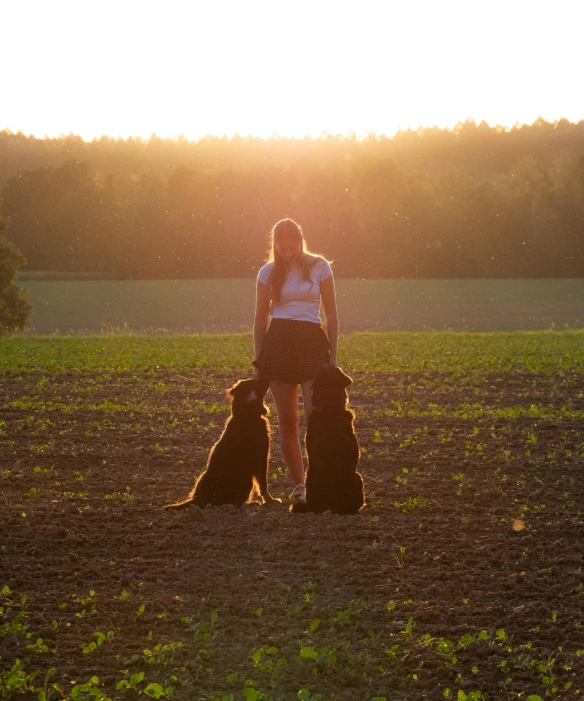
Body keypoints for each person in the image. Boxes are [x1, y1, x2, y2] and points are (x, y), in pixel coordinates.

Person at [253, 218, 339, 504]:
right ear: (275, 245)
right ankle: (300, 486)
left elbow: (331, 315)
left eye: (293, 244)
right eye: (282, 245)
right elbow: (259, 319)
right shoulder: (267, 273)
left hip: (312, 342)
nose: (288, 250)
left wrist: (334, 356)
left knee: (316, 419)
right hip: (279, 344)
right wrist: (259, 360)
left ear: (301, 240)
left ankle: (319, 482)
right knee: (288, 422)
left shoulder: (319, 267)